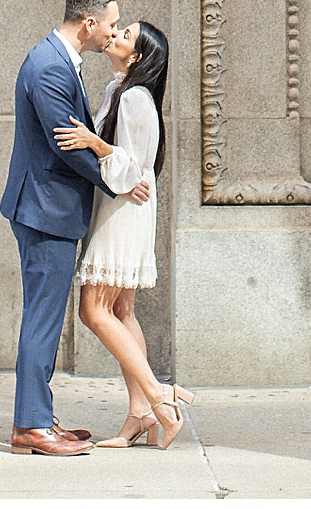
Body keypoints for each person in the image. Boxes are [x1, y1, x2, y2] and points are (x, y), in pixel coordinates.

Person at [0, 0, 149, 457]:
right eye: (110, 23)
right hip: (44, 210)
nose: (112, 32)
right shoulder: (47, 67)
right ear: (88, 23)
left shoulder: (57, 61)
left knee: (44, 318)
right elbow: (70, 144)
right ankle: (32, 426)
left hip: (50, 208)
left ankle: (40, 417)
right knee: (42, 320)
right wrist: (118, 182)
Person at [54, 22, 196, 449]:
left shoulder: (134, 96)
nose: (114, 35)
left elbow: (133, 167)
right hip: (122, 208)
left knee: (93, 310)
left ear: (136, 57)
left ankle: (159, 395)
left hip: (122, 213)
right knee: (122, 310)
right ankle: (140, 414)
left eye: (125, 35)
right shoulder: (122, 91)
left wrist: (94, 144)